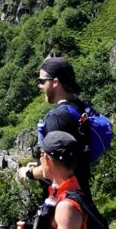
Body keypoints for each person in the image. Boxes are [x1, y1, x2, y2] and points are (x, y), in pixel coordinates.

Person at [18, 57, 94, 201]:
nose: (39, 86)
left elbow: (56, 169)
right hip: (81, 193)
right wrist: (41, 163)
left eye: (41, 81)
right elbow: (70, 157)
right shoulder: (79, 107)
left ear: (55, 82)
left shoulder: (57, 118)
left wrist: (27, 173)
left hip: (63, 199)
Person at [24, 131, 107, 229]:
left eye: (40, 154)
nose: (39, 160)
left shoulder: (66, 207)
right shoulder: (70, 191)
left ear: (47, 159)